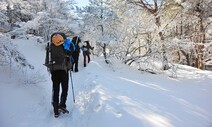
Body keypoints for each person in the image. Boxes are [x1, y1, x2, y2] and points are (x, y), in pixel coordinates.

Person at [45, 32, 75, 118]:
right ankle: (62, 105)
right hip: (64, 71)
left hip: (54, 71)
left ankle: (56, 110)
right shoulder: (65, 46)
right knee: (65, 88)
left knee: (56, 90)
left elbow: (48, 57)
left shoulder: (50, 46)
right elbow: (72, 51)